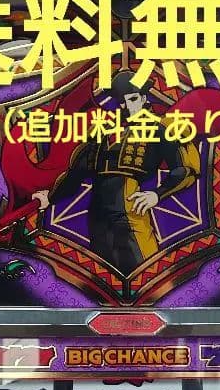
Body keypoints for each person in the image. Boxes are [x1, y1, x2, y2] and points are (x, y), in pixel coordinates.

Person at [32, 71, 200, 274]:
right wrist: (51, 198)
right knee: (105, 274)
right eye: (122, 101)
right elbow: (76, 171)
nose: (127, 106)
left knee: (146, 271)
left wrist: (157, 194)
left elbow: (187, 169)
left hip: (130, 210)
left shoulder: (161, 127)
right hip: (97, 215)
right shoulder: (102, 130)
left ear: (144, 98)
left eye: (133, 99)